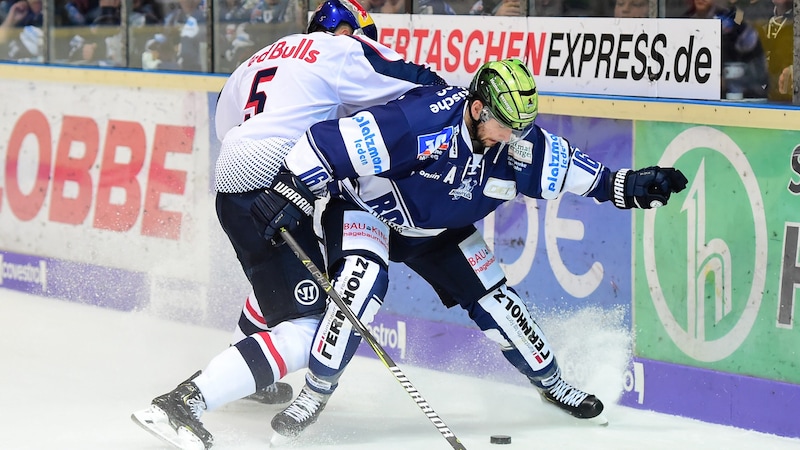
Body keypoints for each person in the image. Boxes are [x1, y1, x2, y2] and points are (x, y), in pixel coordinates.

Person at [252, 58, 688, 439]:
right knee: (360, 285)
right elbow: (324, 144)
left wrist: (628, 185)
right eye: (506, 126)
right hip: (368, 212)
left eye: (523, 127)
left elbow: (583, 174)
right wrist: (288, 189)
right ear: (477, 108)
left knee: (498, 303)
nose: (515, 136)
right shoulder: (417, 121)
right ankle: (315, 393)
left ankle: (553, 384)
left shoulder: (519, 143)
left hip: (439, 229)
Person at [131, 1, 446, 449]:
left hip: (233, 187)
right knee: (317, 326)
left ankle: (252, 377)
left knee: (277, 283)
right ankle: (183, 404)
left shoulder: (259, 57)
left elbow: (228, 125)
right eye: (363, 33)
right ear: (346, 29)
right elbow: (422, 85)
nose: (366, 44)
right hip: (276, 185)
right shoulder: (340, 51)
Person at [682, 0, 768, 99]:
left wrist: (727, 81)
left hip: (728, 100)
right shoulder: (682, 22)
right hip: (691, 97)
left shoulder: (734, 26)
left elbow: (757, 70)